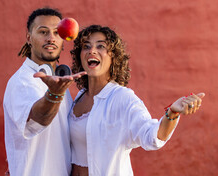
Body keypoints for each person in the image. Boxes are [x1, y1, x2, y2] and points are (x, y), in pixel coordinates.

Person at [69, 25, 205, 176]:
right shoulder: (79, 97)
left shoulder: (122, 97)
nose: (92, 51)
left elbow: (151, 136)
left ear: (113, 57)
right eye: (86, 46)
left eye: (101, 46)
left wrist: (172, 113)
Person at [3, 7, 86, 175]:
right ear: (29, 38)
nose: (51, 38)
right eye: (43, 32)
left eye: (57, 33)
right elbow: (36, 120)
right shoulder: (23, 82)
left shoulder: (58, 79)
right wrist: (54, 95)